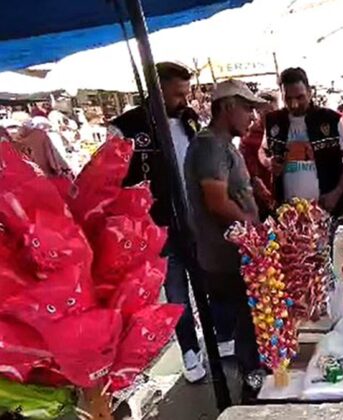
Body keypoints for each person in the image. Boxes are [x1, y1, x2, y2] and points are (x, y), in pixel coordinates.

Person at [108, 62, 207, 383]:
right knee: (176, 292)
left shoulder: (189, 119)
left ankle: (217, 340)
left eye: (185, 93)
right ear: (156, 90)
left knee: (206, 283)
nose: (183, 99)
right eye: (177, 94)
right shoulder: (126, 127)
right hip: (157, 228)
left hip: (195, 220)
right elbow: (113, 181)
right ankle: (190, 352)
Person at [184, 79, 266, 400]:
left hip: (238, 252)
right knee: (247, 321)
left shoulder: (224, 143)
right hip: (228, 255)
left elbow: (230, 189)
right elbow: (216, 201)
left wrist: (254, 191)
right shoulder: (210, 145)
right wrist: (254, 229)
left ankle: (254, 376)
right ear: (228, 107)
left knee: (252, 320)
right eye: (247, 109)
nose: (252, 117)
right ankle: (253, 388)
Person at [264, 67, 343, 217]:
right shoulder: (273, 121)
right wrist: (269, 162)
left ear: (309, 92)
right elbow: (263, 152)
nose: (294, 104)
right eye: (288, 99)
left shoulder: (331, 120)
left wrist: (336, 193)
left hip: (326, 208)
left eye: (300, 97)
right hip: (288, 212)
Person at [240, 91, 279, 220]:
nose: (272, 116)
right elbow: (249, 172)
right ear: (258, 112)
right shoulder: (249, 137)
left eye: (274, 111)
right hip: (263, 200)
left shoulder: (285, 130)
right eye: (266, 112)